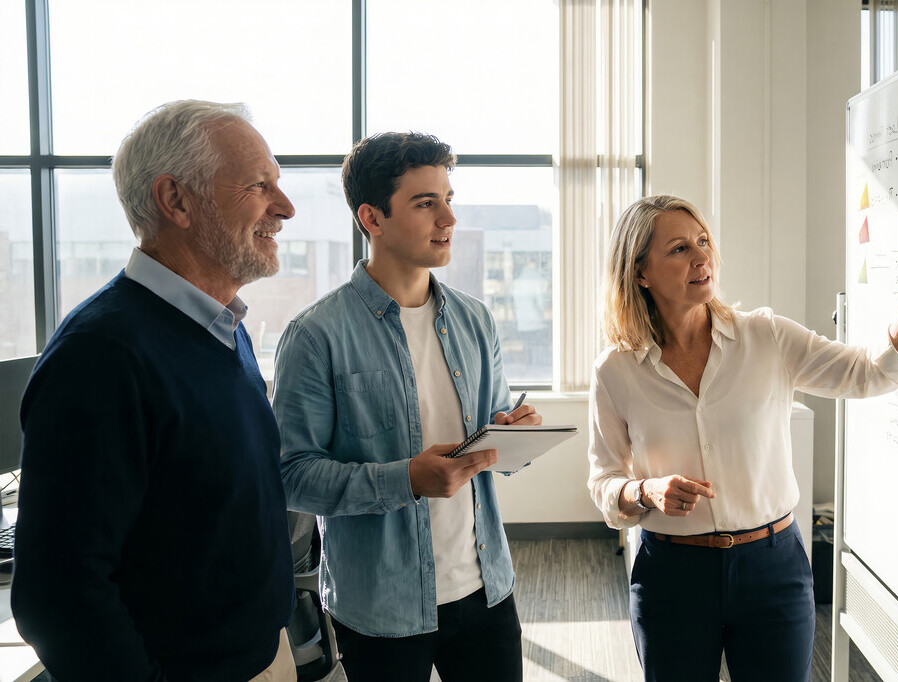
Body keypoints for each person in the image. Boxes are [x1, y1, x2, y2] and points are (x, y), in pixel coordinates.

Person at [588, 195, 898, 681]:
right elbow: (604, 483)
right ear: (640, 272)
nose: (701, 257)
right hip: (672, 576)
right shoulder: (616, 371)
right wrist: (644, 491)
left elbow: (874, 372)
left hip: (771, 569)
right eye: (680, 249)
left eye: (703, 241)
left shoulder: (765, 338)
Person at [13, 100, 297, 681]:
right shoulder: (101, 355)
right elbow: (58, 596)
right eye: (259, 185)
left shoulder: (222, 327)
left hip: (263, 655)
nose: (285, 208)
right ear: (177, 201)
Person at [272, 131, 539, 682]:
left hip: (486, 586)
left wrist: (515, 437)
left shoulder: (475, 319)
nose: (449, 219)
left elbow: (495, 453)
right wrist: (407, 480)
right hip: (381, 608)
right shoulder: (316, 335)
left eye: (448, 199)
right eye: (425, 203)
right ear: (371, 218)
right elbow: (290, 476)